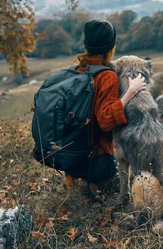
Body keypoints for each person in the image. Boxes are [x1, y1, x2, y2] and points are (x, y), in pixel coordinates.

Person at [65, 19, 146, 197]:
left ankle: (75, 176)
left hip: (71, 153)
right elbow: (106, 120)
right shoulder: (107, 76)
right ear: (111, 47)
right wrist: (130, 93)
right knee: (111, 176)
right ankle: (91, 182)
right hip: (96, 158)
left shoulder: (78, 69)